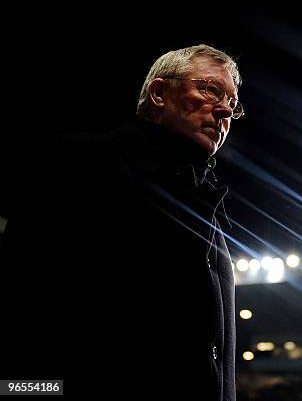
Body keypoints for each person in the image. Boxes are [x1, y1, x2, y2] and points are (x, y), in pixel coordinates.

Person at [1, 44, 243, 399]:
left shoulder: (205, 204)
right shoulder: (81, 162)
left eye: (232, 104)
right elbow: (21, 303)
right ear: (159, 92)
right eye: (209, 89)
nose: (224, 109)